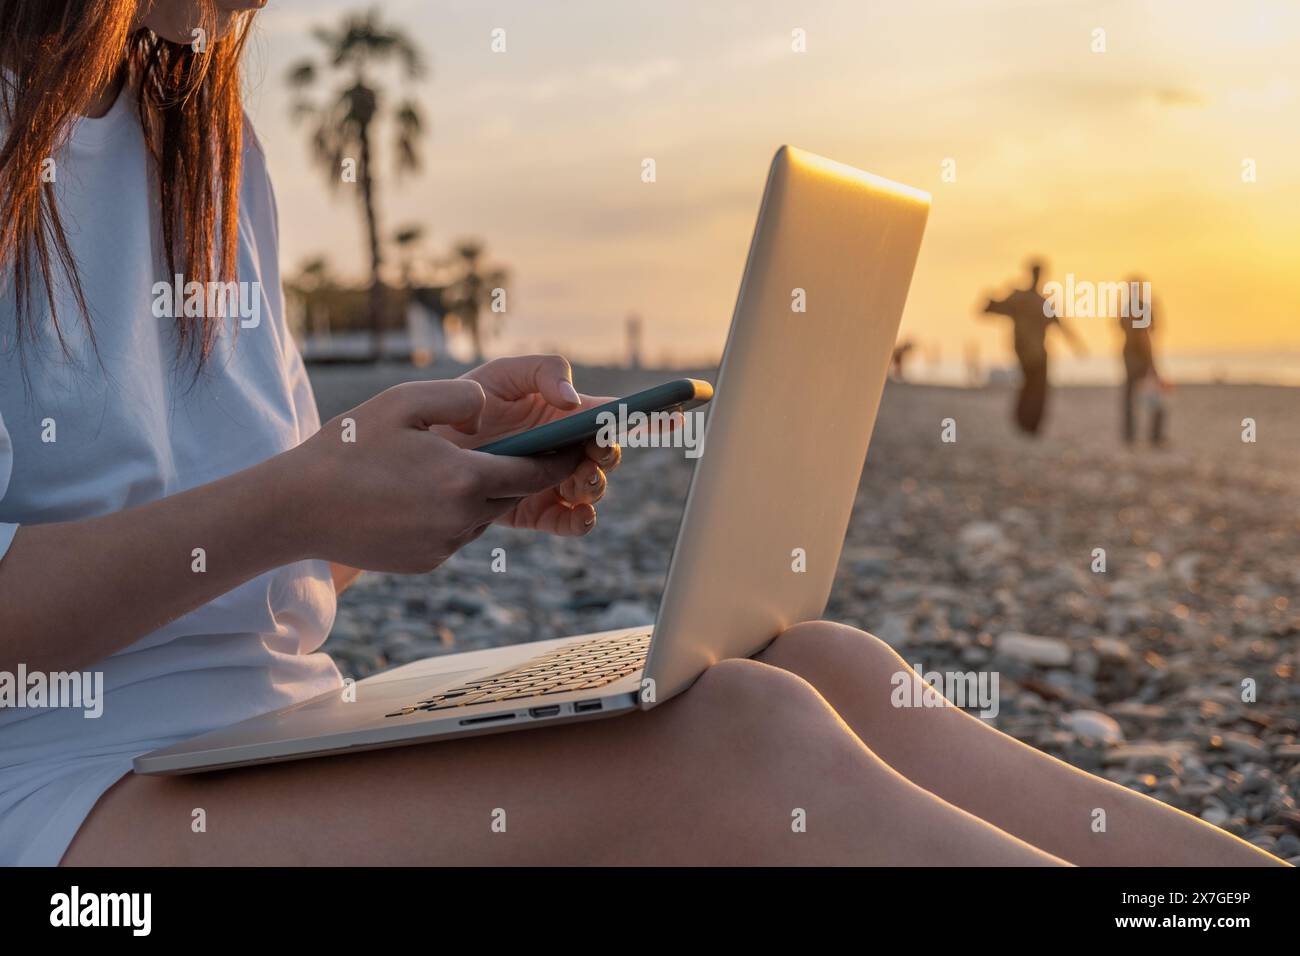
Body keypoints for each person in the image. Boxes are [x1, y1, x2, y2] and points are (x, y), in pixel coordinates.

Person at [0, 1, 1282, 867]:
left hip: (250, 737)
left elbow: (242, 564)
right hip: (67, 812)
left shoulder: (201, 136)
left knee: (821, 664)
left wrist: (437, 476)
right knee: (742, 742)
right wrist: (304, 499)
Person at [980, 259, 1085, 436]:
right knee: (1034, 388)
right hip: (1029, 352)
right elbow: (989, 309)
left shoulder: (1029, 300)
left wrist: (1076, 345)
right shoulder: (1026, 299)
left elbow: (1060, 324)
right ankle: (1026, 424)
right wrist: (991, 299)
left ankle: (1027, 424)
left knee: (1034, 387)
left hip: (1031, 351)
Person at [1119, 277, 1168, 447]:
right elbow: (1151, 329)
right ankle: (1153, 436)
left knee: (1131, 397)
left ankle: (1130, 436)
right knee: (1155, 395)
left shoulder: (1126, 308)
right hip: (1141, 355)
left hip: (1131, 355)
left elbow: (1122, 328)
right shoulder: (1140, 307)